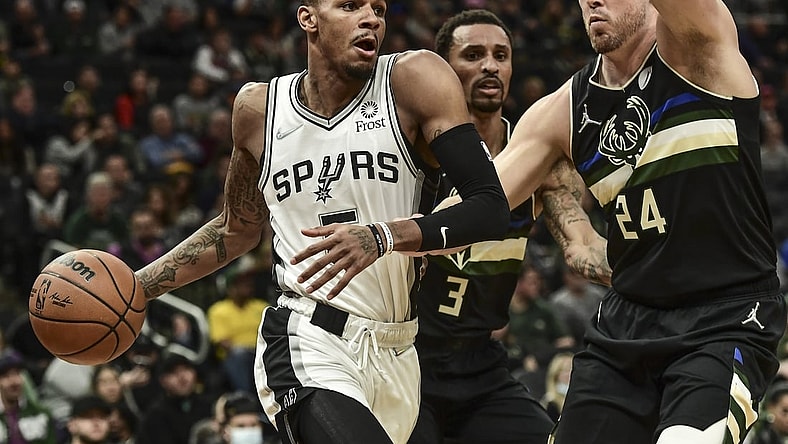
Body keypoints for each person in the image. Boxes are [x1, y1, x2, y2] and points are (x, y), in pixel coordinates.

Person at [134, 1, 511, 443]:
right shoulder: (259, 109)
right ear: (308, 18)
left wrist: (382, 236)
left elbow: (490, 207)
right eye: (350, 5)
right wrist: (138, 287)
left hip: (398, 348)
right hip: (307, 336)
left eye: (378, 9)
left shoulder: (413, 80)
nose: (371, 18)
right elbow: (235, 229)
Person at [481, 0, 788, 442]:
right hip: (628, 323)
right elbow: (484, 210)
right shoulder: (565, 110)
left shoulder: (701, 47)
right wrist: (396, 234)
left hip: (725, 314)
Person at [408, 10, 608, 444]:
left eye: (501, 55)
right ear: (443, 70)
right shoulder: (412, 153)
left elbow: (581, 245)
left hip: (480, 362)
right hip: (408, 357)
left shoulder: (539, 159)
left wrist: (647, 267)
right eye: (473, 55)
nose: (490, 66)